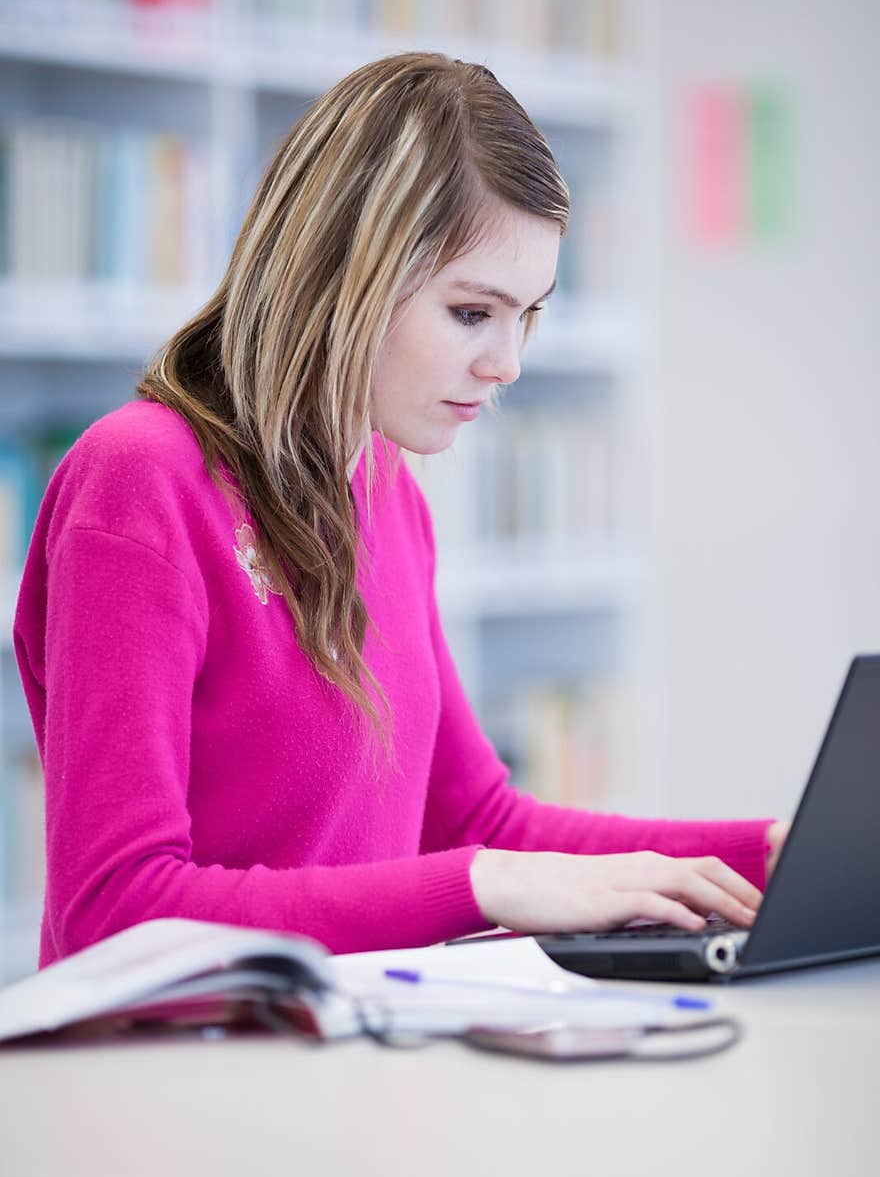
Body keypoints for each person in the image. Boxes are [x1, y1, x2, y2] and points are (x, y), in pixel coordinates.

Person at [13, 52, 788, 969]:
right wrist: (477, 884)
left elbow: (473, 817)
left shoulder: (385, 490)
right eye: (471, 313)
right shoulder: (140, 481)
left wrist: (769, 854)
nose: (506, 364)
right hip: (172, 1073)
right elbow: (116, 906)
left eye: (525, 317)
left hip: (345, 1056)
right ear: (344, 274)